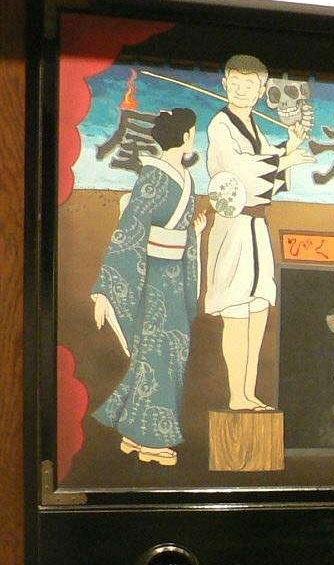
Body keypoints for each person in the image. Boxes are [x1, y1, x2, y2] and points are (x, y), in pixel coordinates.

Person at [90, 108, 208, 465]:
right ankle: (152, 441)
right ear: (185, 136)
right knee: (162, 354)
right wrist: (106, 288)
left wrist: (194, 234)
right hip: (153, 277)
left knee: (165, 353)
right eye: (193, 132)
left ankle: (133, 434)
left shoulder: (184, 177)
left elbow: (173, 228)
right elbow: (130, 230)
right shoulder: (154, 177)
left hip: (172, 275)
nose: (193, 137)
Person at [203, 53, 313, 411]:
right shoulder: (220, 125)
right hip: (234, 226)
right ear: (224, 84)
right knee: (237, 310)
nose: (241, 89)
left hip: (256, 228)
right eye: (235, 82)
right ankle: (237, 395)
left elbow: (268, 164)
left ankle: (249, 393)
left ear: (262, 90)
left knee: (257, 309)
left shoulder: (252, 125)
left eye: (249, 84)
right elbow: (237, 171)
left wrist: (290, 148)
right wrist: (283, 159)